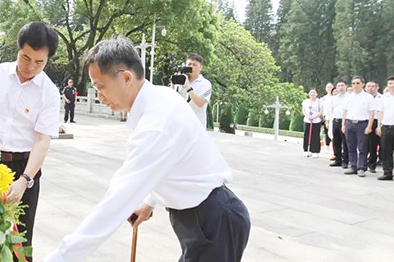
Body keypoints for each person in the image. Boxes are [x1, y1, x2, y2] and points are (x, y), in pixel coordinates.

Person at [45, 37, 250, 262]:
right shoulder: (161, 96)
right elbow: (170, 162)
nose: (99, 95)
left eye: (100, 87)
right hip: (204, 218)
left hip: (214, 224)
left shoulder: (156, 124)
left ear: (126, 78)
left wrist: (60, 258)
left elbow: (116, 202)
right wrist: (150, 201)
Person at [0, 21, 60, 259]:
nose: (30, 66)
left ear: (48, 59)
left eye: (39, 62)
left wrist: (24, 181)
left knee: (20, 241)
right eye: (25, 57)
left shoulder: (49, 92)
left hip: (23, 169)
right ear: (17, 49)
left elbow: (41, 141)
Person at [342, 76, 375, 177]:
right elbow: (345, 111)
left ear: (363, 84)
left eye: (357, 83)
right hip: (349, 123)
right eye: (353, 83)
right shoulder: (348, 96)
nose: (355, 85)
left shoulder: (368, 97)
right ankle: (353, 166)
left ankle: (361, 167)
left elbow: (372, 113)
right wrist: (343, 124)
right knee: (351, 146)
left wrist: (369, 126)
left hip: (362, 124)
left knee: (362, 147)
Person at [376, 76, 394, 184]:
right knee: (386, 151)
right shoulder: (383, 98)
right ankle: (387, 173)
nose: (392, 85)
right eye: (390, 83)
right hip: (386, 127)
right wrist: (379, 126)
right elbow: (380, 112)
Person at [175, 54, 212, 128]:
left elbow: (200, 103)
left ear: (200, 67)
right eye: (189, 64)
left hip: (197, 125)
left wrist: (188, 88)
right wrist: (173, 84)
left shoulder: (205, 83)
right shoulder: (180, 81)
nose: (191, 67)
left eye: (194, 65)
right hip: (180, 124)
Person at [328, 81, 350, 168]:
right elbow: (332, 109)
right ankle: (338, 159)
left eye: (342, 85)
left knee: (345, 141)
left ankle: (345, 160)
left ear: (346, 86)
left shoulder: (349, 97)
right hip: (335, 120)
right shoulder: (333, 98)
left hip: (344, 120)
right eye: (338, 86)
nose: (340, 87)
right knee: (336, 141)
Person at [365, 81, 381, 172]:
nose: (371, 88)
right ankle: (361, 163)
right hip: (364, 121)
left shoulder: (381, 97)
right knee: (362, 144)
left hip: (376, 121)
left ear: (377, 87)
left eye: (373, 86)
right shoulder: (363, 97)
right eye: (369, 86)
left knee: (373, 145)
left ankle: (372, 165)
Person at [302, 88, 323, 158]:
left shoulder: (319, 101)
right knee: (306, 135)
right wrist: (308, 116)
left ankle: (315, 151)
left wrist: (314, 116)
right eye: (311, 92)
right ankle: (306, 150)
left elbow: (321, 112)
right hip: (307, 120)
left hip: (316, 120)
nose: (312, 94)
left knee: (315, 136)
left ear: (316, 94)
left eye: (314, 92)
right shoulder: (305, 101)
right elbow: (304, 110)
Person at [322, 82, 334, 154]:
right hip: (325, 116)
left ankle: (333, 147)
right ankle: (327, 147)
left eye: (330, 87)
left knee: (333, 132)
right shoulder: (324, 98)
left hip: (333, 116)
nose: (329, 89)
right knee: (326, 132)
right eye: (328, 87)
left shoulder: (334, 97)